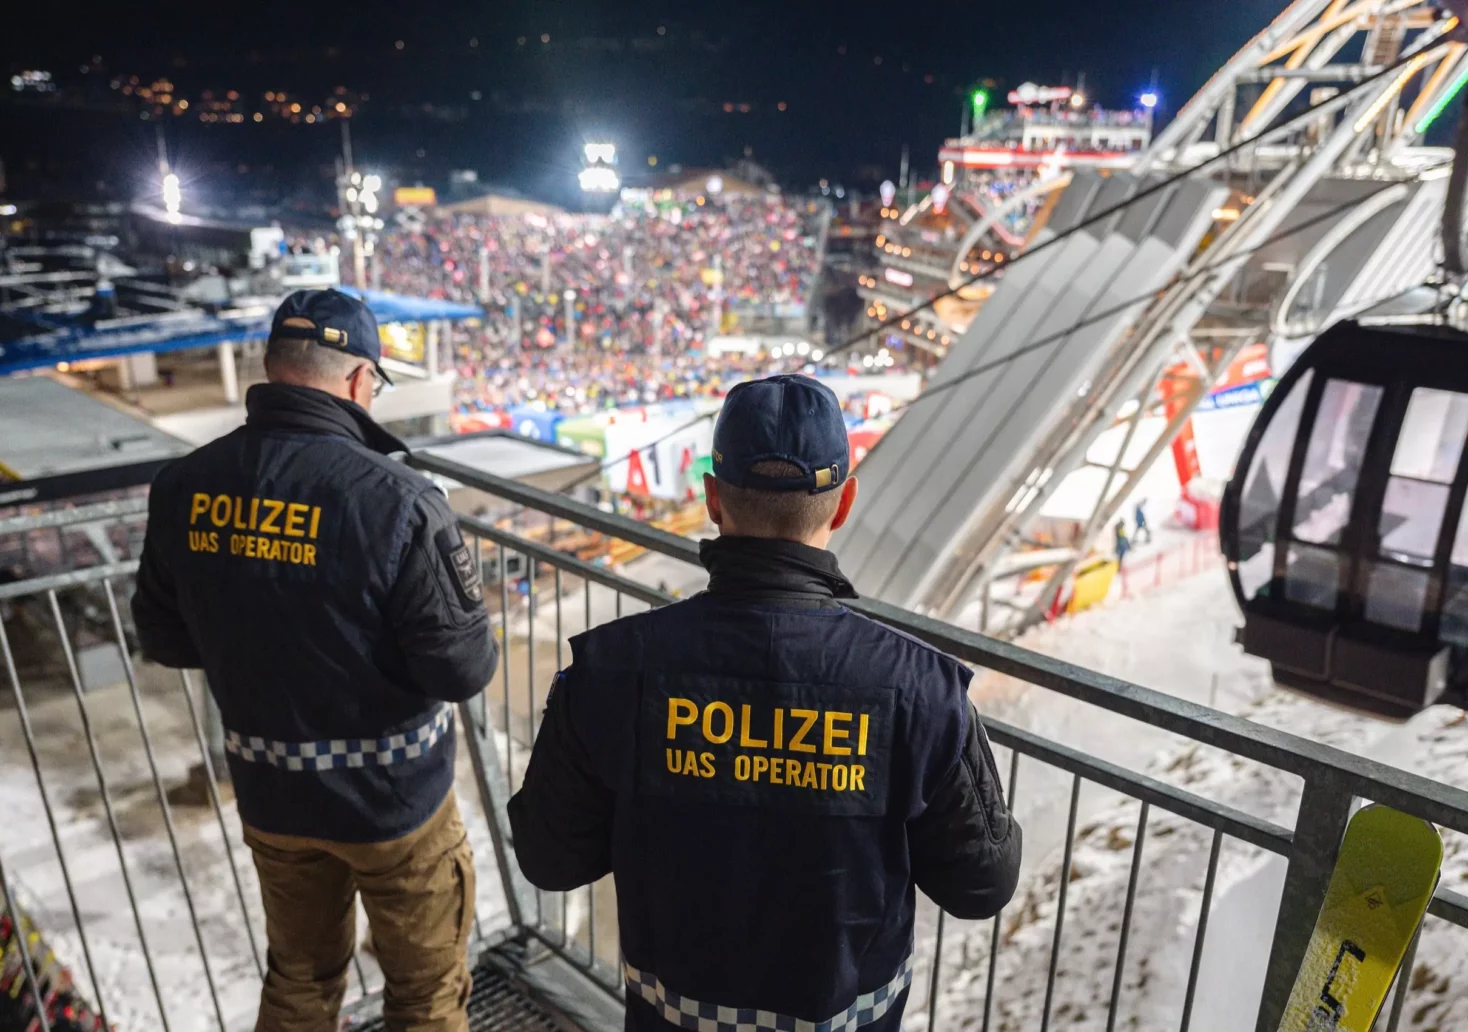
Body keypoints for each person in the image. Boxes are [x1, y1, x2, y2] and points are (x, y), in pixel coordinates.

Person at [508, 375, 1021, 1032]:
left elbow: (548, 859)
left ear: (713, 499)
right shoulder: (921, 688)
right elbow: (982, 885)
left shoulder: (611, 671)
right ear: (843, 505)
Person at [132, 289, 498, 1032]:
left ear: (268, 368)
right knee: (425, 995)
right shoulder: (398, 500)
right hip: (393, 804)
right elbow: (461, 669)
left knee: (299, 977)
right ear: (362, 382)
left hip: (272, 793)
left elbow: (165, 638)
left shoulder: (183, 486)